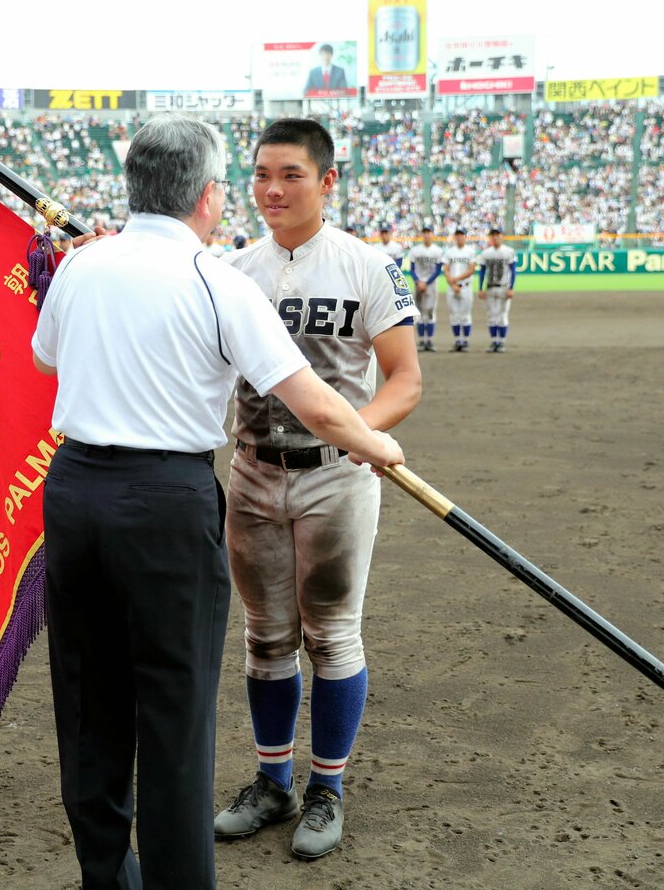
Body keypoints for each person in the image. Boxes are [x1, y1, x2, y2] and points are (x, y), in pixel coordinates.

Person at [31, 113, 403, 890]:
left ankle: (108, 876)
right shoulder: (219, 280)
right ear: (207, 195)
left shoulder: (81, 265)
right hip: (165, 501)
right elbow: (317, 405)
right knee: (175, 708)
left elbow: (46, 357)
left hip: (74, 494)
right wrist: (377, 444)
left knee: (90, 698)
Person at [215, 118, 421, 860]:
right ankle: (273, 783)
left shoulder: (369, 267)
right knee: (266, 636)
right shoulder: (230, 271)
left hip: (338, 475)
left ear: (328, 181)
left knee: (332, 633)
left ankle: (326, 788)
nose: (272, 190)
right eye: (261, 175)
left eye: (291, 175)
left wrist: (357, 433)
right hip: (251, 471)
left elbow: (405, 380)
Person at [475, 226, 517, 352]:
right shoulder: (486, 253)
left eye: (497, 234)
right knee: (491, 316)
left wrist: (511, 288)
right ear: (490, 237)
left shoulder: (509, 251)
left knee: (502, 316)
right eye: (493, 235)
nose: (495, 237)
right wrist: (480, 288)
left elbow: (513, 271)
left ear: (501, 236)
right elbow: (482, 272)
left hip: (503, 287)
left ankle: (501, 342)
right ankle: (494, 341)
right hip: (490, 287)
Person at [405, 226, 444, 352]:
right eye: (425, 233)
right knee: (419, 312)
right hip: (418, 284)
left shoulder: (437, 251)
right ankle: (422, 340)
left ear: (432, 235)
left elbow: (438, 270)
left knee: (430, 312)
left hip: (431, 285)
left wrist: (426, 282)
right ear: (422, 235)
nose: (427, 235)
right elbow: (411, 269)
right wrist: (418, 281)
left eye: (429, 232)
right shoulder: (415, 250)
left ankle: (429, 341)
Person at [441, 227, 478, 351]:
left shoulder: (470, 251)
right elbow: (446, 269)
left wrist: (455, 280)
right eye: (458, 235)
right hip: (452, 287)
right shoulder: (449, 252)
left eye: (462, 235)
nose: (459, 237)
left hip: (465, 287)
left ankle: (465, 341)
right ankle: (458, 341)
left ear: (465, 237)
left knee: (465, 315)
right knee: (454, 315)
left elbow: (471, 270)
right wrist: (453, 284)